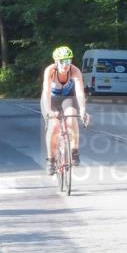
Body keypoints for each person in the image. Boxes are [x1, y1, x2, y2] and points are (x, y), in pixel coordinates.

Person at [42, 45, 88, 175]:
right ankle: (51, 160)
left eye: (68, 61)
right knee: (54, 126)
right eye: (61, 61)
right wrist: (49, 112)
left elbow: (79, 91)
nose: (65, 65)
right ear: (56, 62)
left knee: (72, 116)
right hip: (50, 99)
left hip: (67, 98)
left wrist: (83, 110)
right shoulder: (50, 71)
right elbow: (46, 92)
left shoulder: (75, 71)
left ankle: (74, 151)